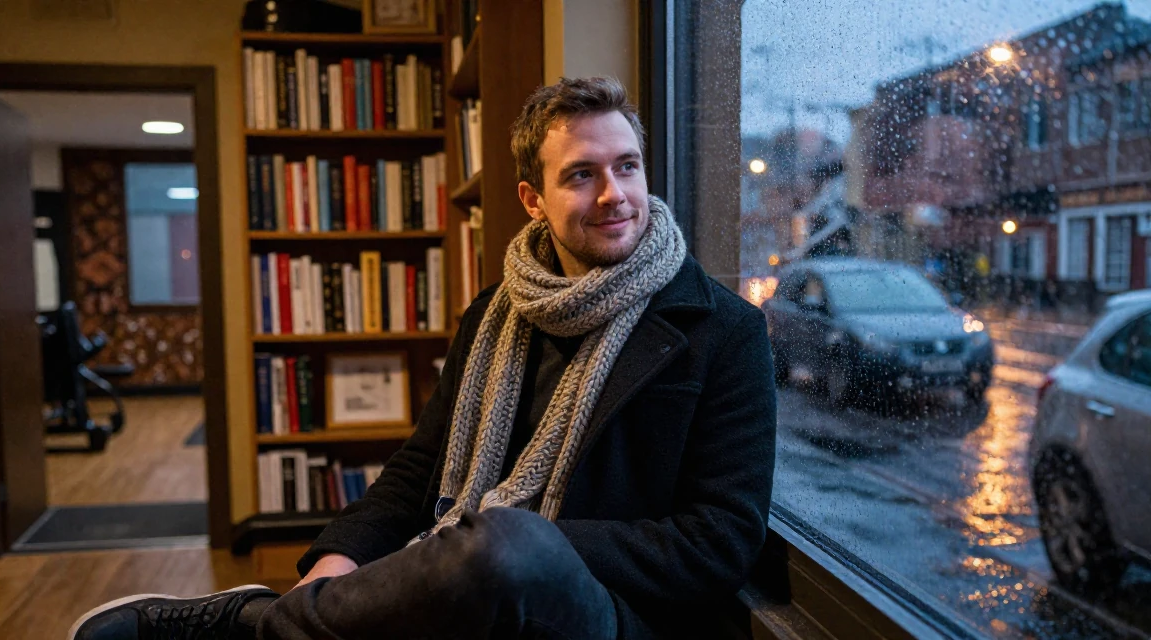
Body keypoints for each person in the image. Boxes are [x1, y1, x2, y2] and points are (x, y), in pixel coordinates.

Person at [70, 76, 777, 640]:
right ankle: (285, 617)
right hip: (468, 580)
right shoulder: (496, 314)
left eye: (627, 166)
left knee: (508, 547)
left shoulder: (724, 331)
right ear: (532, 199)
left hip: (618, 613)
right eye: (581, 175)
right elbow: (420, 470)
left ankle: (245, 624)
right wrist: (335, 562)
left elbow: (717, 542)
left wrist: (534, 538)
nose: (615, 194)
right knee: (484, 554)